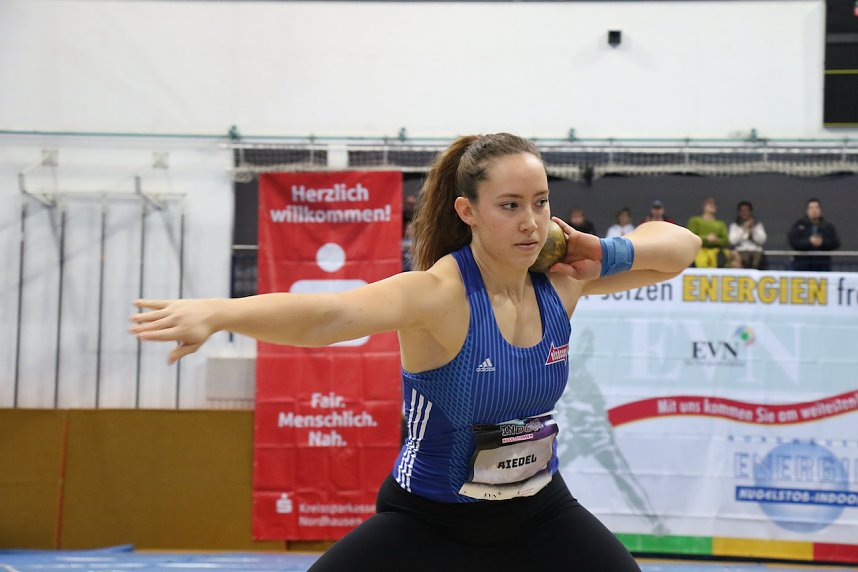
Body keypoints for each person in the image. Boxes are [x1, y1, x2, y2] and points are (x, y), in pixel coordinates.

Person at [130, 133, 701, 571]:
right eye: (508, 205)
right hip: (431, 519)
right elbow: (330, 316)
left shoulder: (562, 279)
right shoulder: (439, 294)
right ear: (467, 211)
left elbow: (682, 248)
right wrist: (217, 312)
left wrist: (597, 247)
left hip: (538, 509)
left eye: (540, 202)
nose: (529, 222)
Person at [787, 198, 841, 272]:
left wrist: (822, 242)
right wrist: (809, 242)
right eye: (811, 208)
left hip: (822, 266)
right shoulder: (799, 225)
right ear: (807, 210)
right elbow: (793, 241)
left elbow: (835, 242)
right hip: (802, 265)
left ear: (820, 210)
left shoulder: (827, 226)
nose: (814, 210)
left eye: (816, 208)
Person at [687, 197, 733, 268]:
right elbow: (691, 236)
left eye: (714, 204)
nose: (712, 205)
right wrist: (706, 238)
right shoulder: (695, 220)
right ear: (704, 206)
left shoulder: (721, 223)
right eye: (709, 203)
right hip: (699, 250)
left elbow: (725, 240)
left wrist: (716, 240)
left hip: (717, 252)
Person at [728, 200, 767, 269]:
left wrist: (753, 229)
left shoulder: (757, 225)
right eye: (742, 210)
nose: (744, 212)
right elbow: (732, 241)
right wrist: (743, 229)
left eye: (746, 210)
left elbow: (762, 240)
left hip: (755, 252)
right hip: (741, 252)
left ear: (750, 212)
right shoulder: (735, 226)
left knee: (758, 257)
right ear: (739, 212)